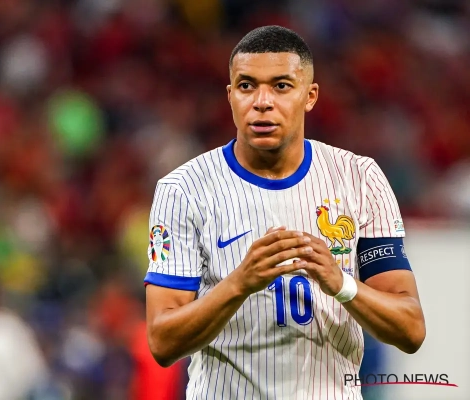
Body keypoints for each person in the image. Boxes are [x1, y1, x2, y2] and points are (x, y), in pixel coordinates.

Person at [143, 25, 425, 399]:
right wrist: (239, 283)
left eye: (281, 86)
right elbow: (162, 342)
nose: (262, 102)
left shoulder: (359, 178)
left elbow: (410, 329)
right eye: (246, 86)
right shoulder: (182, 190)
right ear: (230, 96)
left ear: (310, 96)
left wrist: (340, 283)